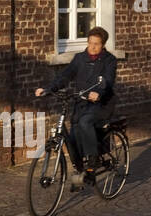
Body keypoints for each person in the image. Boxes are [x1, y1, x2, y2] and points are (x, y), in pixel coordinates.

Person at [35, 25, 117, 189]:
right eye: (90, 43)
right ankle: (81, 169)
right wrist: (49, 89)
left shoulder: (109, 60)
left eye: (97, 44)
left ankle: (92, 159)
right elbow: (65, 75)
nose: (92, 47)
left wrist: (98, 92)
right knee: (74, 131)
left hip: (101, 104)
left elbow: (107, 80)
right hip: (81, 103)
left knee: (85, 122)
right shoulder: (80, 58)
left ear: (103, 45)